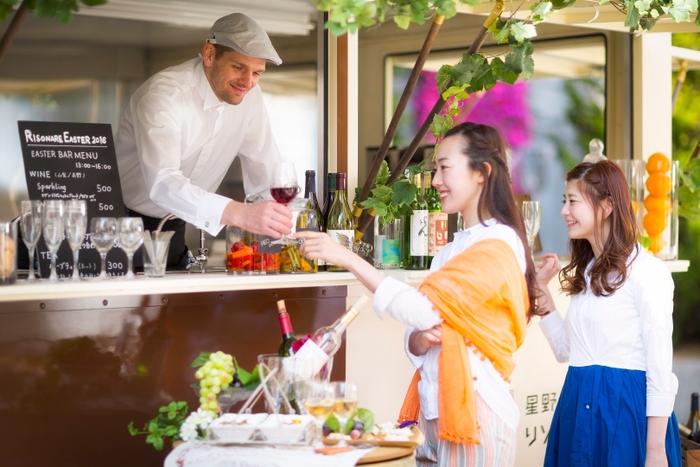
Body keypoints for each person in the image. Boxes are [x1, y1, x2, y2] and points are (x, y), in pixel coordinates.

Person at [296, 122, 544, 466]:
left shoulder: (497, 244)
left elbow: (423, 311)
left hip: (474, 412)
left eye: (444, 168)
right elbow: (420, 331)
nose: (436, 180)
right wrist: (420, 341)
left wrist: (346, 257)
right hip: (436, 409)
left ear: (481, 173)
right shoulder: (454, 248)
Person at [115, 13, 293, 267]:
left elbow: (266, 172)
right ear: (209, 54)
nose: (248, 82)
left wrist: (285, 237)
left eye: (257, 73)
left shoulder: (250, 98)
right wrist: (240, 213)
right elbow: (162, 183)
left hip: (174, 228)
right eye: (239, 67)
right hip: (120, 230)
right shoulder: (165, 95)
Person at [536, 160, 682, 467]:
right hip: (577, 407)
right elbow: (567, 352)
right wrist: (541, 290)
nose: (564, 211)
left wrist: (655, 450)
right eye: (564, 201)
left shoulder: (647, 272)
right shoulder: (588, 272)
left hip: (626, 413)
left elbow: (659, 367)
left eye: (572, 201)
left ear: (607, 206)